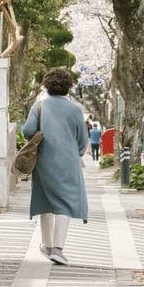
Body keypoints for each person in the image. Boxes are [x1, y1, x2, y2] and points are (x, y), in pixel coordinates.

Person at [20, 67, 88, 266]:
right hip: (68, 161)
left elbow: (28, 131)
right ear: (68, 87)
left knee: (45, 201)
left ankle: (47, 245)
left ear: (46, 85)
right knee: (65, 202)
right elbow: (82, 143)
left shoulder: (39, 106)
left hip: (43, 161)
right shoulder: (75, 110)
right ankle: (58, 248)